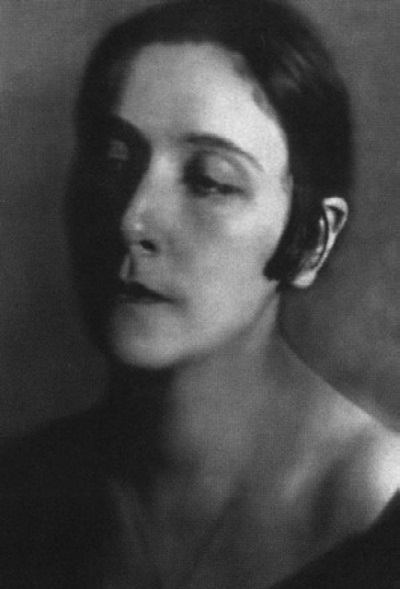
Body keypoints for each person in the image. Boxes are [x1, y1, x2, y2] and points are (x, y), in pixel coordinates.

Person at [1, 0, 399, 587]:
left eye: (210, 182)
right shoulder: (24, 488)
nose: (132, 220)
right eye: (113, 160)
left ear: (312, 239)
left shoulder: (376, 505)